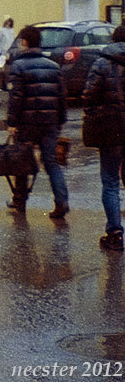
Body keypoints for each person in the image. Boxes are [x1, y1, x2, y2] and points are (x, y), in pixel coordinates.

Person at [5, 25, 68, 219]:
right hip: (49, 122)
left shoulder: (18, 66)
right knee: (51, 162)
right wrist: (60, 121)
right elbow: (61, 96)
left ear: (24, 42)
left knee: (22, 161)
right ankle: (61, 201)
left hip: (27, 122)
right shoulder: (54, 66)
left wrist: (11, 122)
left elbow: (16, 97)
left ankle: (20, 201)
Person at [82, 24, 125, 250]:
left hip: (110, 129)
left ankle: (115, 234)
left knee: (110, 181)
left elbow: (89, 95)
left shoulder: (101, 62)